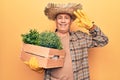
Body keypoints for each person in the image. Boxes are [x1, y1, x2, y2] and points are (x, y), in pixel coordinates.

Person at [26, 3, 109, 80]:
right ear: (56, 20)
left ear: (71, 21)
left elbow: (103, 40)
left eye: (66, 18)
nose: (63, 21)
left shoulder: (81, 37)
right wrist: (38, 67)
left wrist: (91, 27)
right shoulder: (46, 39)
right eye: (60, 18)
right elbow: (40, 60)